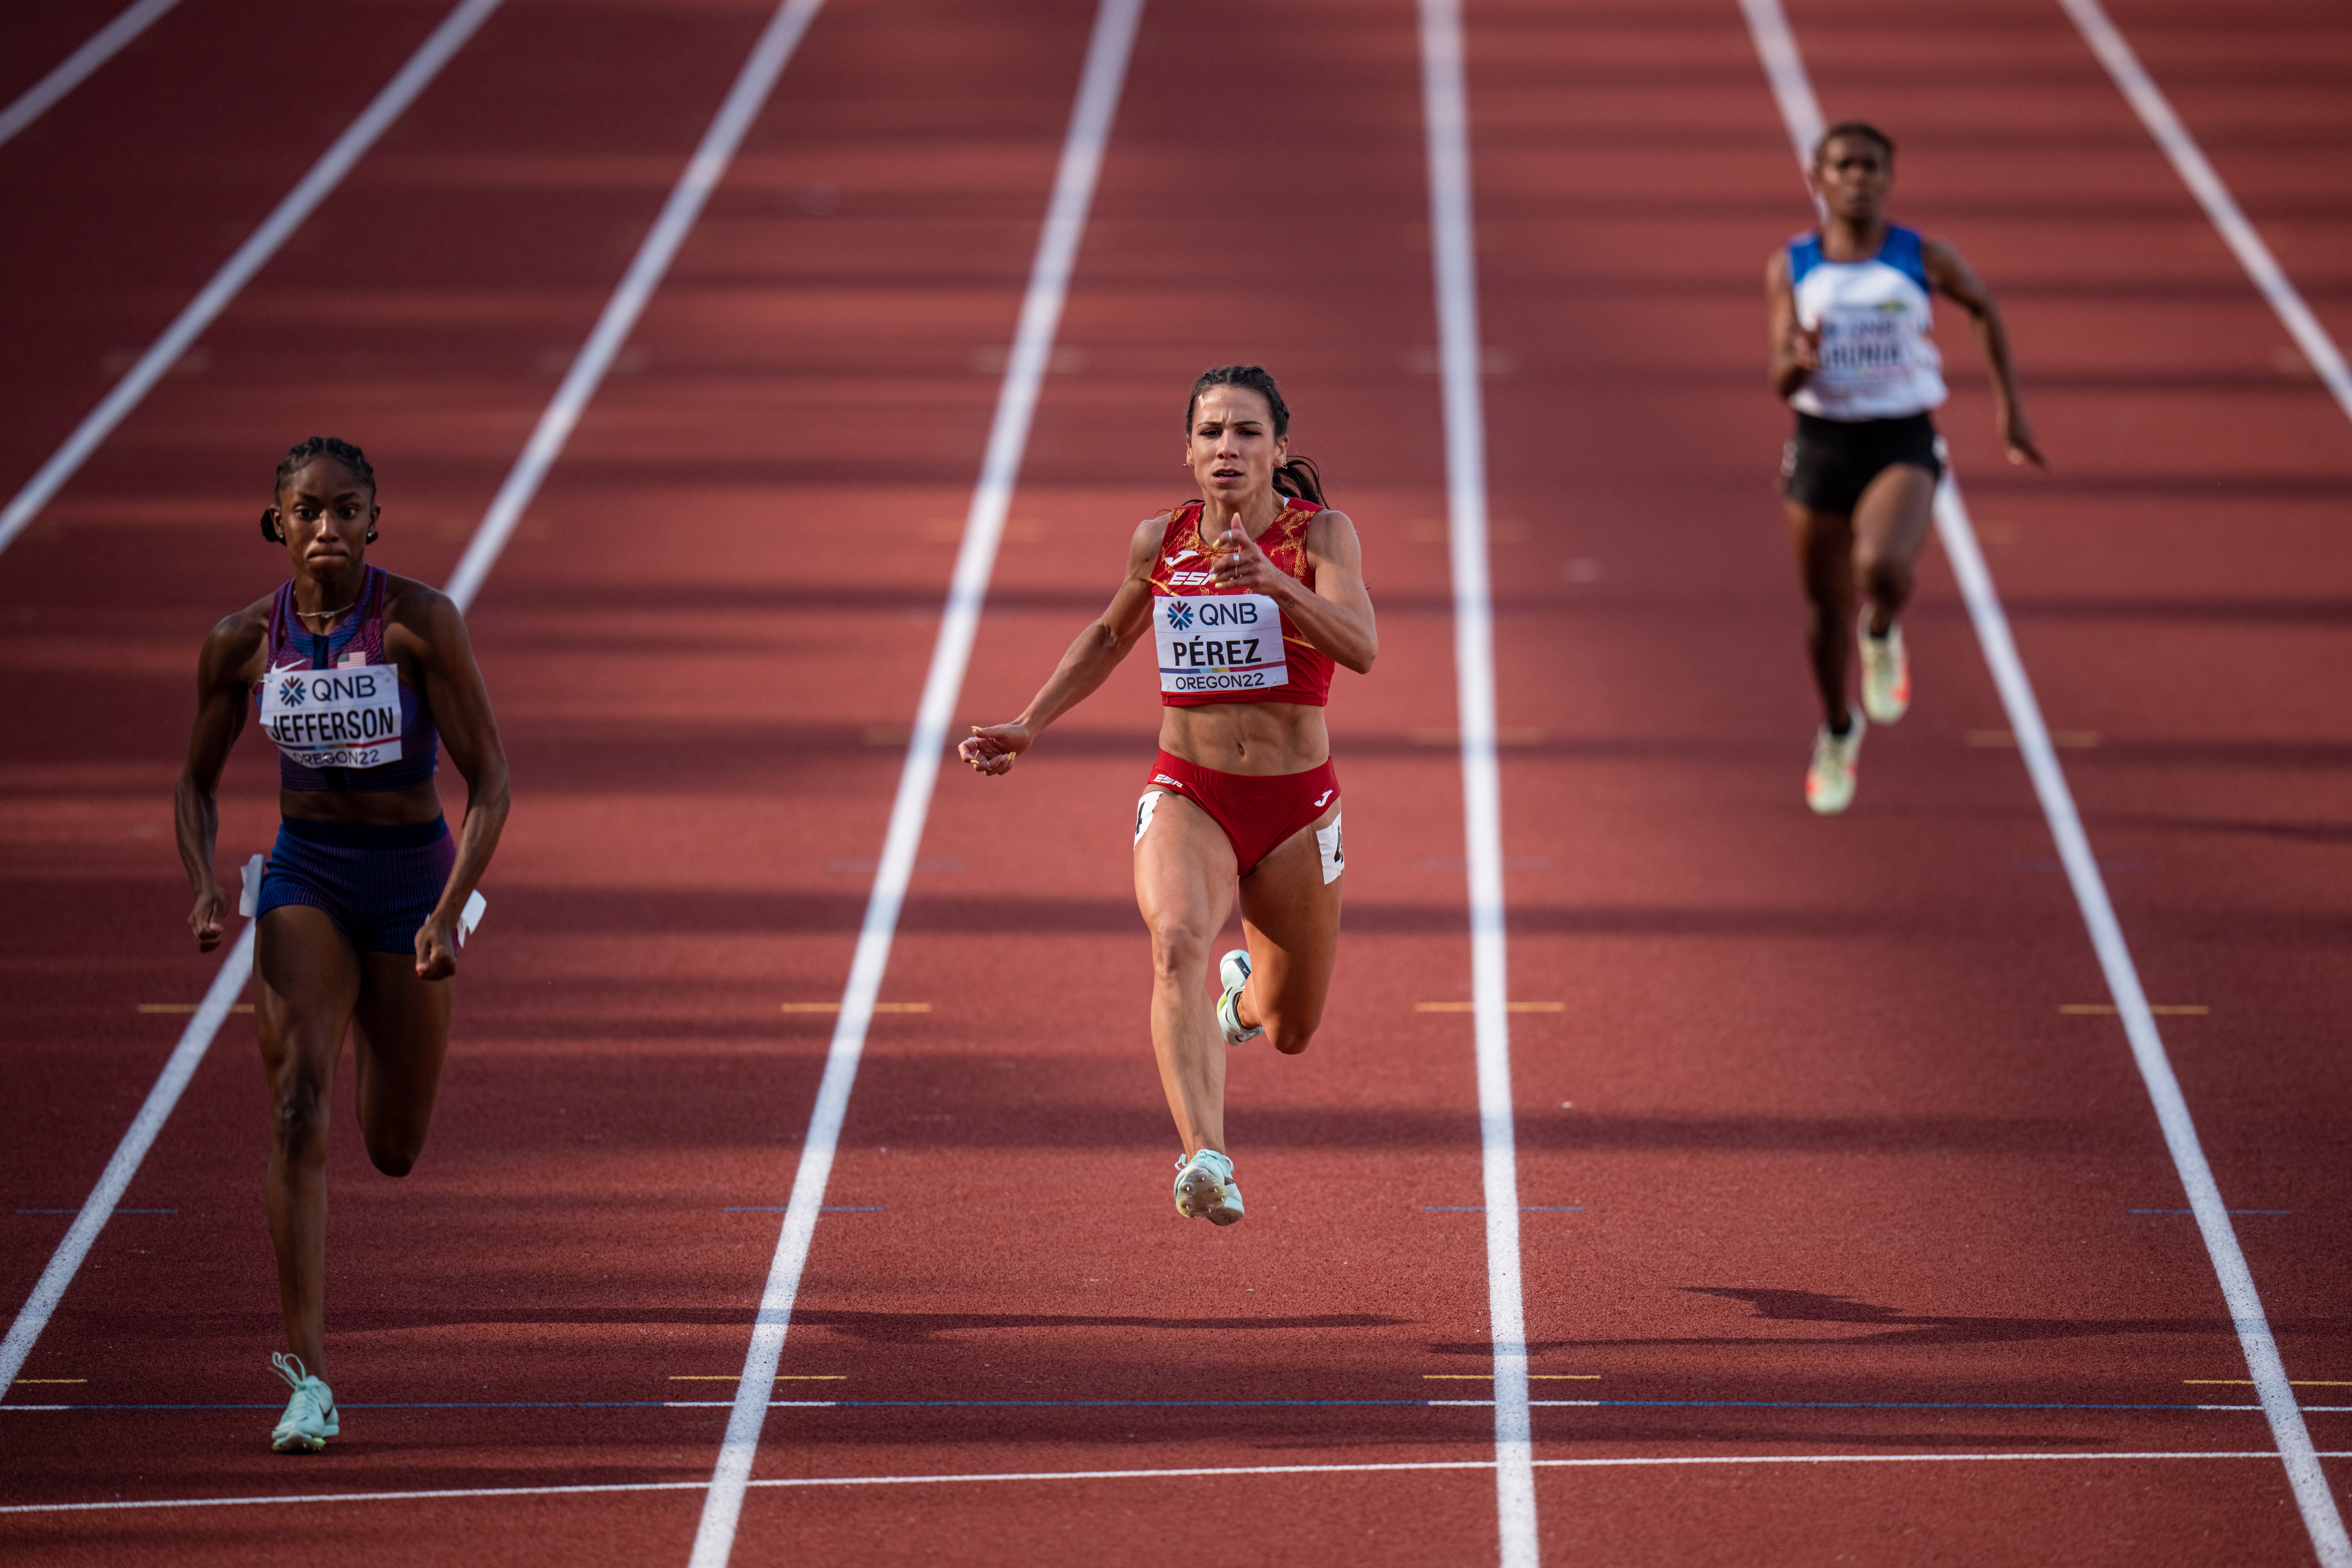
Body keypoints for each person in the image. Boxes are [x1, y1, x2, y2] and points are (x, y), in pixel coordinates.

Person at [959, 366, 1376, 1226]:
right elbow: (1112, 634)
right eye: (1212, 432)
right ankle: (1206, 1156)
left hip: (1297, 808)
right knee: (1176, 938)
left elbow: (1362, 646)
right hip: (1190, 792)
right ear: (1187, 451)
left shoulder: (1323, 537)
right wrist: (1028, 723)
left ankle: (1243, 1001)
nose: (1228, 448)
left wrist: (1275, 582)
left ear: (1277, 450)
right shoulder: (1161, 540)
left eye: (1247, 433)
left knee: (1291, 1027)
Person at [174, 436, 509, 1451]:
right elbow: (194, 781)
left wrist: (449, 910)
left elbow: (490, 779)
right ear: (277, 522)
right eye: (308, 511)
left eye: (347, 510)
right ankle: (309, 1378)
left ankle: (386, 1010)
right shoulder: (240, 642)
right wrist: (202, 885)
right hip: (306, 876)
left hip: (411, 878)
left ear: (375, 518)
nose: (328, 529)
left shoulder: (420, 624)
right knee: (295, 1106)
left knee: (393, 1146)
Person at [1766, 120, 2046, 813]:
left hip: (1900, 439)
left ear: (1889, 179)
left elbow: (1983, 307)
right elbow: (1776, 376)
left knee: (1881, 569)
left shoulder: (1922, 257)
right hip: (1821, 444)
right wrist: (1796, 360)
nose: (1858, 179)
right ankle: (1837, 728)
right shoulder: (1792, 267)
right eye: (1844, 166)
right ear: (1817, 179)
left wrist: (2010, 409)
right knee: (1823, 609)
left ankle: (1883, 627)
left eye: (1871, 167)